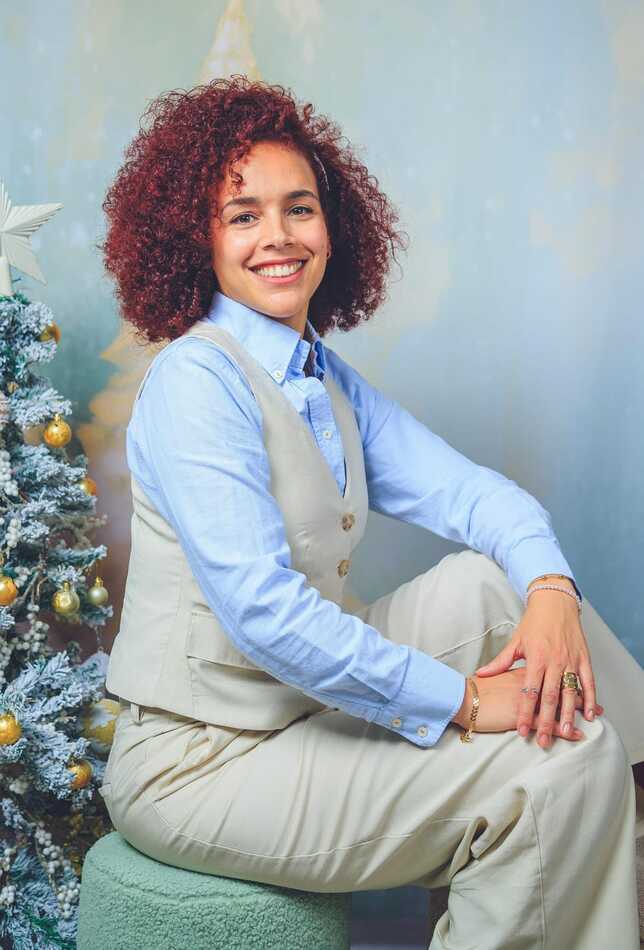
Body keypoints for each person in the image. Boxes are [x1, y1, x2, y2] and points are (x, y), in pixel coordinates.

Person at [98, 75, 644, 948]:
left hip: (292, 709)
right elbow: (266, 616)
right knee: (562, 765)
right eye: (242, 215)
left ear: (333, 226)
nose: (278, 236)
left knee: (490, 584)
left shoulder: (318, 376)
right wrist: (465, 703)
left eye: (299, 208)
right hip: (199, 762)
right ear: (196, 240)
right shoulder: (195, 384)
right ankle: (603, 796)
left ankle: (634, 805)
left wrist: (550, 588)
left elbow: (472, 494)